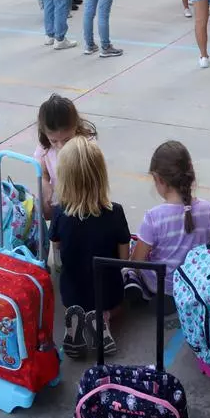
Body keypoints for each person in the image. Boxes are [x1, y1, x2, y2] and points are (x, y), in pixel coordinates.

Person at [49, 137, 130, 357]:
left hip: (73, 291)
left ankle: (75, 321)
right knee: (118, 306)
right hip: (107, 291)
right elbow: (123, 259)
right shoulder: (116, 212)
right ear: (101, 176)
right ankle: (102, 320)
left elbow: (56, 248)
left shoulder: (60, 213)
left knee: (68, 288)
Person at [124, 140, 210, 313]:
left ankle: (134, 285)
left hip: (164, 288)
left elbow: (138, 261)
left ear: (159, 179)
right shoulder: (208, 210)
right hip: (197, 285)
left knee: (131, 255)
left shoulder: (154, 217)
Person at [35, 94, 98, 217]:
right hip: (59, 201)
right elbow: (43, 173)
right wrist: (45, 185)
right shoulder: (45, 148)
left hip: (83, 202)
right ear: (44, 133)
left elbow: (93, 181)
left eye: (67, 140)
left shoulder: (87, 147)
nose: (60, 146)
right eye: (54, 141)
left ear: (76, 127)